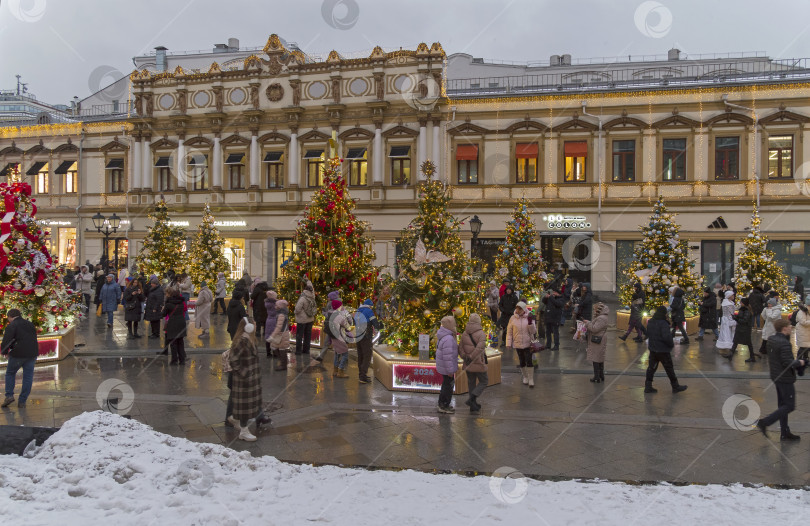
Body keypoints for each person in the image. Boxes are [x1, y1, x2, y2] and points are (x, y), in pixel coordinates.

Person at [756, 319, 805, 441]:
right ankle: (765, 422)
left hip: (776, 376)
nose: (791, 327)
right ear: (784, 328)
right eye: (789, 326)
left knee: (783, 405)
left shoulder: (772, 339)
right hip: (785, 378)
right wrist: (801, 362)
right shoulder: (784, 343)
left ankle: (785, 432)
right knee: (789, 405)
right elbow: (787, 362)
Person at [228, 317, 271, 441]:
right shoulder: (242, 341)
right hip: (244, 381)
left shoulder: (250, 339)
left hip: (251, 380)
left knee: (250, 405)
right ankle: (244, 431)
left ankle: (236, 419)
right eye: (254, 324)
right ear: (248, 327)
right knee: (245, 407)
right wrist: (246, 374)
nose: (256, 326)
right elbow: (233, 360)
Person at [644, 306, 688, 394]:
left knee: (651, 368)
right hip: (663, 350)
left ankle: (648, 386)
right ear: (664, 314)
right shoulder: (663, 323)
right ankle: (675, 386)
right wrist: (671, 344)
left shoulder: (651, 322)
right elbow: (666, 337)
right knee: (669, 369)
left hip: (653, 349)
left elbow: (648, 334)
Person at [1, 309, 39, 409]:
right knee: (28, 377)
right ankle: (22, 401)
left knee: (10, 373)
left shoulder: (12, 325)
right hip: (32, 353)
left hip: (18, 354)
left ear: (10, 316)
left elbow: (7, 340)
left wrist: (4, 351)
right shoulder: (30, 324)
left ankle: (9, 396)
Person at [459, 313, 487, 413]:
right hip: (478, 362)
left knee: (471, 383)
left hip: (468, 363)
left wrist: (465, 357)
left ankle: (473, 405)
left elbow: (460, 347)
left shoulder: (464, 333)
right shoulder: (481, 333)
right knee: (484, 381)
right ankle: (472, 399)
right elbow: (480, 348)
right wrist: (471, 357)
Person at [506, 301, 537, 388]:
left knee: (529, 361)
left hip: (528, 343)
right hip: (517, 343)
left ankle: (531, 379)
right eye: (517, 308)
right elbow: (509, 332)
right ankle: (525, 377)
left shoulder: (529, 317)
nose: (518, 310)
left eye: (520, 309)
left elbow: (533, 331)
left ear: (524, 309)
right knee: (522, 361)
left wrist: (530, 323)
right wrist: (508, 343)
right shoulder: (512, 318)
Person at [435, 316, 459, 414]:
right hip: (447, 368)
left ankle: (442, 403)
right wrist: (450, 371)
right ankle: (444, 405)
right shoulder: (448, 338)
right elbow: (447, 356)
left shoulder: (444, 335)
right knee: (448, 386)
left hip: (444, 367)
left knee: (446, 385)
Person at [355, 298, 381, 384]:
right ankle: (363, 377)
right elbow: (374, 322)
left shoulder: (358, 310)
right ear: (370, 306)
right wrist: (378, 327)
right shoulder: (369, 311)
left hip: (358, 335)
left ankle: (361, 375)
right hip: (366, 336)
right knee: (367, 355)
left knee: (360, 355)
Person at [585, 303, 609, 383]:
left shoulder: (601, 318)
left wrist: (588, 323)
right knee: (599, 357)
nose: (594, 310)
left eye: (594, 309)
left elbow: (595, 329)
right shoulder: (602, 317)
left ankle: (597, 376)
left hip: (598, 339)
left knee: (596, 358)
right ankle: (601, 375)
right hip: (599, 338)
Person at [161, 288, 187, 365]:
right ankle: (182, 360)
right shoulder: (181, 303)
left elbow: (163, 314)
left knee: (173, 343)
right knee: (180, 342)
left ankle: (174, 360)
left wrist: (162, 309)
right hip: (181, 323)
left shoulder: (168, 304)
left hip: (172, 324)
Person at [316, 290, 341, 363]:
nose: (327, 298)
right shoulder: (338, 305)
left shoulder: (331, 305)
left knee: (330, 342)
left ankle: (337, 359)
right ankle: (323, 356)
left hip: (332, 327)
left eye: (328, 297)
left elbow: (328, 315)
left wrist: (324, 312)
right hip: (335, 327)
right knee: (333, 343)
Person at [329, 300, 352, 378]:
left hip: (333, 337)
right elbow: (347, 326)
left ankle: (335, 371)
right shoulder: (339, 316)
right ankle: (340, 371)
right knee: (345, 353)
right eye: (341, 306)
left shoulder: (331, 314)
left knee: (337, 353)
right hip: (339, 337)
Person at [294, 281, 317, 357]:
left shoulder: (303, 298)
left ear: (304, 290)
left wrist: (295, 312)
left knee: (299, 335)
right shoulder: (313, 297)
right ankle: (306, 350)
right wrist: (309, 282)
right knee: (308, 335)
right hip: (310, 319)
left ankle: (298, 351)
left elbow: (297, 309)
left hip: (302, 320)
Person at [268, 299, 291, 371]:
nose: (275, 306)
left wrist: (272, 336)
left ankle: (283, 365)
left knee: (280, 349)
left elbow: (279, 326)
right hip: (282, 334)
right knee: (276, 348)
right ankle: (283, 362)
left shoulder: (281, 315)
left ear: (280, 307)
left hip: (282, 334)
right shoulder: (280, 313)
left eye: (276, 305)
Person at [729, 297, 754, 361]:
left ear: (744, 303)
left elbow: (744, 320)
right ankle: (731, 354)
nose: (740, 303)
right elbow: (741, 317)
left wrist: (736, 318)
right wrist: (735, 316)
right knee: (735, 341)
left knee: (748, 343)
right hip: (741, 328)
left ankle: (752, 357)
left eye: (741, 302)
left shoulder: (747, 311)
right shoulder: (743, 309)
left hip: (745, 329)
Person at [263, 291, 278, 358]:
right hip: (274, 321)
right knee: (275, 337)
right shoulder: (274, 304)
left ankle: (268, 353)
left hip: (268, 320)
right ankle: (275, 353)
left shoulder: (267, 303)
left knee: (268, 337)